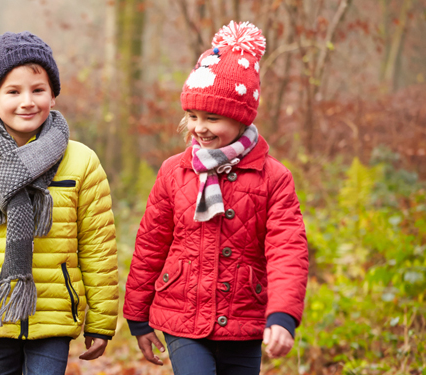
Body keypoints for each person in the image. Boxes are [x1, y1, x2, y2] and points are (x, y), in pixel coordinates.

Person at [123, 21, 309, 375]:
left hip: (245, 319)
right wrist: (137, 316)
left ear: (241, 120)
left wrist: (282, 315)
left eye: (212, 118)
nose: (199, 127)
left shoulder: (274, 178)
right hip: (181, 315)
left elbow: (288, 249)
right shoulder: (174, 172)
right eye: (192, 116)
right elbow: (151, 243)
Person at [0, 31, 119, 375]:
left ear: (53, 95)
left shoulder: (81, 161)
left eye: (38, 90)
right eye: (13, 92)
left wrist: (102, 320)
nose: (27, 101)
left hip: (54, 314)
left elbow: (97, 246)